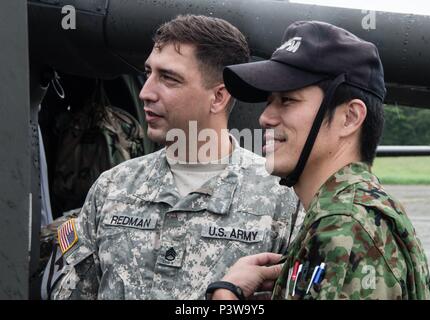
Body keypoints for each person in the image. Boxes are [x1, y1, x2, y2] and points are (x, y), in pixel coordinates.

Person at [43, 14, 299, 300]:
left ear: (218, 97)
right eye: (148, 72)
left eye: (168, 78)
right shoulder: (112, 188)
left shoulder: (280, 198)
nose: (145, 92)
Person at [207, 21, 430, 300]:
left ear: (349, 118)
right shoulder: (350, 213)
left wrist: (225, 298)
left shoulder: (344, 228)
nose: (265, 117)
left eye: (287, 100)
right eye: (269, 101)